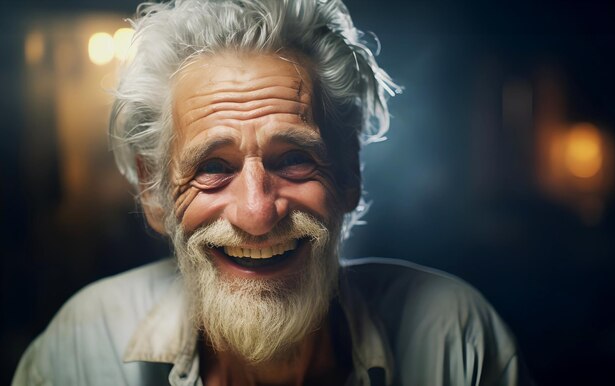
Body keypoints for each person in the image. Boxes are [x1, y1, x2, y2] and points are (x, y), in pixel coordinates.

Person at [13, 0, 532, 385]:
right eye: (214, 167)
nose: (258, 213)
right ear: (154, 192)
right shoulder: (82, 348)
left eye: (294, 159)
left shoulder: (456, 339)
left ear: (349, 173)